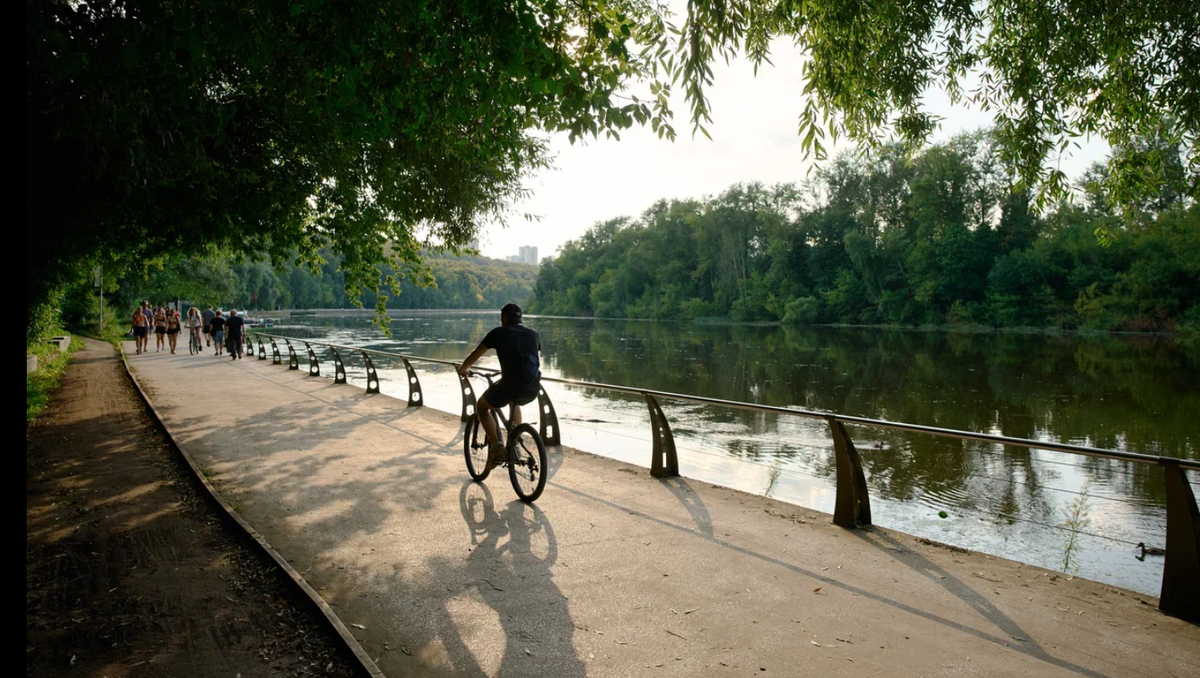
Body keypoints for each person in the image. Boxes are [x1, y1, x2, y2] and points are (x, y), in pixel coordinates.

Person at [456, 303, 542, 471]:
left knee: (481, 406)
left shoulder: (498, 333)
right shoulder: (533, 334)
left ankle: (497, 447)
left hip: (510, 385)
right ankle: (515, 440)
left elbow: (477, 353)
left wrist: (463, 369)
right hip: (533, 387)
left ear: (504, 318)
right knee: (514, 401)